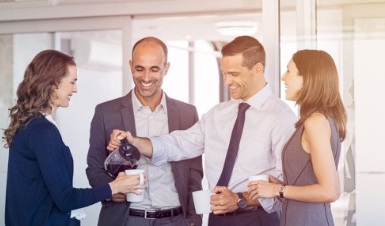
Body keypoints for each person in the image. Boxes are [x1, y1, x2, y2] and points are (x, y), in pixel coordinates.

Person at [107, 36, 298, 226]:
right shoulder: (218, 114)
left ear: (258, 69)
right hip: (216, 218)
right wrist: (135, 141)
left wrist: (241, 199)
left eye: (234, 74)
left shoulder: (281, 118)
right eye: (224, 73)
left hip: (258, 218)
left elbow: (288, 186)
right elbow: (178, 144)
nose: (227, 81)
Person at [3, 49, 143, 226]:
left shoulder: (31, 126)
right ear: (53, 83)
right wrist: (115, 186)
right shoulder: (43, 131)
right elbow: (66, 199)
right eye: (72, 82)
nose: (75, 89)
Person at [86, 36, 203, 226]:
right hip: (126, 219)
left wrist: (194, 220)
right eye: (139, 68)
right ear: (131, 66)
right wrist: (111, 190)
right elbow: (94, 168)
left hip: (175, 220)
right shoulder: (106, 112)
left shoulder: (187, 113)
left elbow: (194, 175)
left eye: (154, 69)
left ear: (166, 68)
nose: (146, 78)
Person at [248, 49, 347, 226]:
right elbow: (309, 179)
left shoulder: (315, 122)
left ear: (307, 78)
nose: (283, 77)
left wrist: (277, 189)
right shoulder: (314, 120)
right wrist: (279, 184)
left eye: (289, 71)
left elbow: (330, 191)